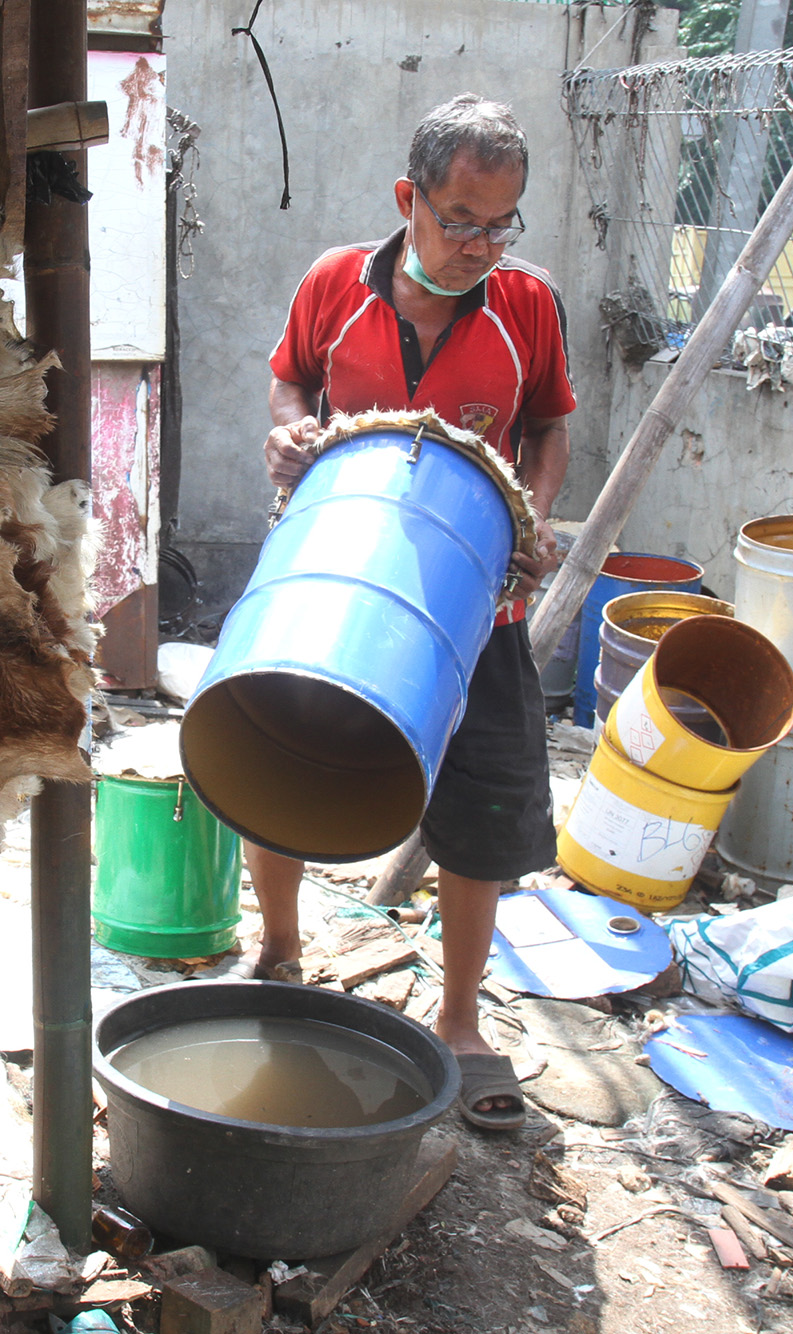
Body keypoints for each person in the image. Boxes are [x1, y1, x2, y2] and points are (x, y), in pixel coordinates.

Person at [249, 93, 573, 1131]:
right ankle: (277, 948)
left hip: (474, 601)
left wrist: (530, 516)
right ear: (408, 198)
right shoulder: (332, 286)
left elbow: (549, 430)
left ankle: (461, 1019)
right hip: (336, 576)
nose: (481, 244)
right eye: (460, 218)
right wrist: (291, 437)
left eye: (499, 223)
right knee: (279, 746)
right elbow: (288, 386)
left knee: (479, 803)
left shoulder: (525, 303)